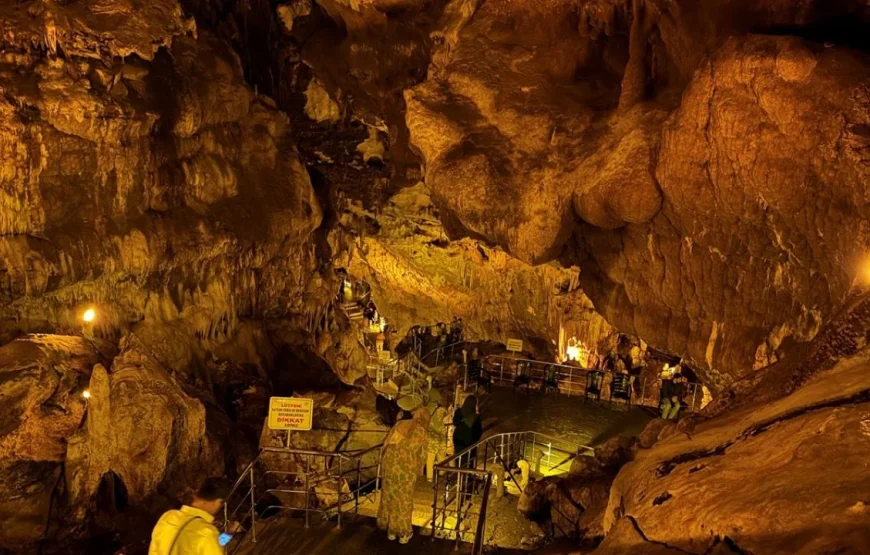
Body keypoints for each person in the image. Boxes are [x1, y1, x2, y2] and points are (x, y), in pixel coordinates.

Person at [378, 408, 431, 544]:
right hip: (406, 467)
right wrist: (418, 471)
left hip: (390, 464)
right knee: (404, 500)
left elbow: (385, 445)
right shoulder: (422, 431)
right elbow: (422, 455)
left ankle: (390, 530)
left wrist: (384, 465)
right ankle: (403, 533)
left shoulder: (400, 424)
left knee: (390, 495)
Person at [148, 477, 231, 555]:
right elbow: (218, 545)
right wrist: (228, 534)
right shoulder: (207, 533)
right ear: (218, 501)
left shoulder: (168, 516)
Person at [452, 395, 482, 467]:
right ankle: (467, 474)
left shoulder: (459, 411)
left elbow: (455, 423)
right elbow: (479, 431)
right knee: (469, 459)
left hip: (458, 438)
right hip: (470, 441)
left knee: (459, 457)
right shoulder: (476, 417)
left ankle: (458, 472)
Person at [425, 396, 449, 482]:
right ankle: (441, 473)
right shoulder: (445, 411)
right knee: (441, 456)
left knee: (430, 458)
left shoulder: (432, 411)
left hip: (431, 436)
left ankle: (429, 477)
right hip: (441, 437)